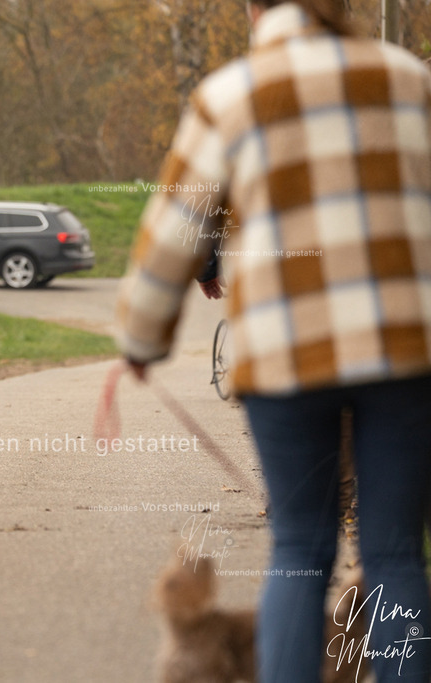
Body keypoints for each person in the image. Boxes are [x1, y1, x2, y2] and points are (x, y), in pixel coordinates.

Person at [115, 1, 431, 681]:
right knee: (397, 553)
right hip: (406, 350)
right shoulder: (409, 80)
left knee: (299, 548)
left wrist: (140, 339)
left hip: (286, 355)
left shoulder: (230, 94)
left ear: (257, 8)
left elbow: (173, 233)